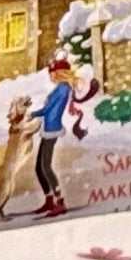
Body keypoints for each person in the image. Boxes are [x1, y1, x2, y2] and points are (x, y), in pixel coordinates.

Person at [31, 53, 95, 218]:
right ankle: (48, 199)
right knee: (39, 167)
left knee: (45, 167)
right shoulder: (60, 88)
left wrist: (31, 114)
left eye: (53, 74)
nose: (51, 77)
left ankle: (60, 201)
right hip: (48, 128)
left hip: (52, 129)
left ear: (60, 74)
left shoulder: (63, 88)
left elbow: (47, 110)